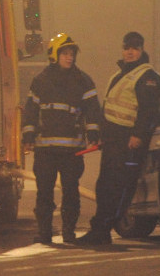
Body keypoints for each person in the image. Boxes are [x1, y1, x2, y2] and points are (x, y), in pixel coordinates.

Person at [75, 32, 160, 246]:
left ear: (142, 50)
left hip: (129, 142)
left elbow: (148, 111)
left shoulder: (147, 77)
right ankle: (99, 229)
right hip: (114, 140)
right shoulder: (120, 74)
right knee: (105, 185)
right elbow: (109, 108)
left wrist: (138, 135)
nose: (130, 52)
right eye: (127, 48)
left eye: (134, 48)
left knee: (119, 186)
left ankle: (104, 227)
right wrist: (103, 135)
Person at [21, 33, 102, 245]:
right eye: (65, 53)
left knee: (71, 194)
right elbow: (30, 110)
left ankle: (68, 232)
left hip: (71, 151)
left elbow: (93, 110)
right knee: (44, 194)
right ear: (54, 55)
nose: (69, 57)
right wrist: (28, 133)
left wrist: (94, 132)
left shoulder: (83, 81)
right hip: (45, 150)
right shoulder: (41, 81)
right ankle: (45, 232)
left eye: (71, 53)